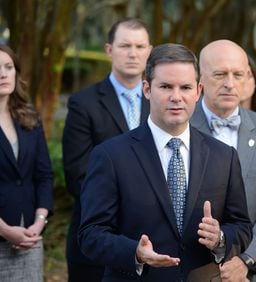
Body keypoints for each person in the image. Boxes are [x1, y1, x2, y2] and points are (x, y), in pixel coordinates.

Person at [78, 43, 252, 281]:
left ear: (198, 91)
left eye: (186, 87)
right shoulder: (110, 156)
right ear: (147, 89)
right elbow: (90, 234)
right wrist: (135, 253)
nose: (176, 97)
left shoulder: (224, 156)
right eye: (166, 86)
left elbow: (241, 225)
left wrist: (220, 238)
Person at [62, 18, 152, 281]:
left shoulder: (161, 101)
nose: (133, 53)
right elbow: (77, 174)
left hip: (153, 243)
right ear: (109, 50)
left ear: (150, 50)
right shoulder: (83, 103)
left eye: (139, 46)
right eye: (125, 45)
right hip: (97, 242)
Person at [191, 39, 256, 281]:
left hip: (250, 273)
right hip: (191, 268)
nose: (230, 84)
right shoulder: (179, 127)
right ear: (200, 78)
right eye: (220, 74)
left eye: (238, 74)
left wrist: (248, 261)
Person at [0, 44, 53, 282]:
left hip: (30, 237)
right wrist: (4, 230)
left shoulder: (29, 117)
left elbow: (43, 174)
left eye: (8, 67)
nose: (3, 74)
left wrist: (39, 221)